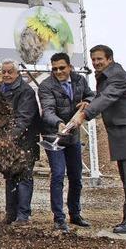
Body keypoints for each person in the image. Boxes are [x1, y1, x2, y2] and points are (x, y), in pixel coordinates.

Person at [71, 45, 126, 234]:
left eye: (99, 59)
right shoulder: (107, 76)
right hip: (123, 137)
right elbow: (101, 97)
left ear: (110, 59)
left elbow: (107, 98)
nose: (95, 62)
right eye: (93, 59)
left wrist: (84, 114)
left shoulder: (117, 76)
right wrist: (90, 102)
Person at [38, 52, 93, 233]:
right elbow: (47, 110)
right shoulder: (46, 86)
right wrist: (58, 123)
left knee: (76, 176)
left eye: (62, 68)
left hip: (73, 136)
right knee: (59, 174)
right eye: (54, 69)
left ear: (69, 66)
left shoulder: (79, 80)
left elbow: (91, 96)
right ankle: (59, 218)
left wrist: (86, 101)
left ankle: (75, 214)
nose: (58, 71)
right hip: (53, 135)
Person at [0, 59, 40, 225]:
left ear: (17, 73)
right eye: (4, 72)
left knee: (23, 177)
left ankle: (23, 215)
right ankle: (10, 213)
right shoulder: (0, 90)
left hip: (25, 142)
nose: (7, 75)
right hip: (8, 142)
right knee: (10, 176)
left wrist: (9, 137)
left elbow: (24, 119)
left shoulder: (26, 92)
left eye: (10, 72)